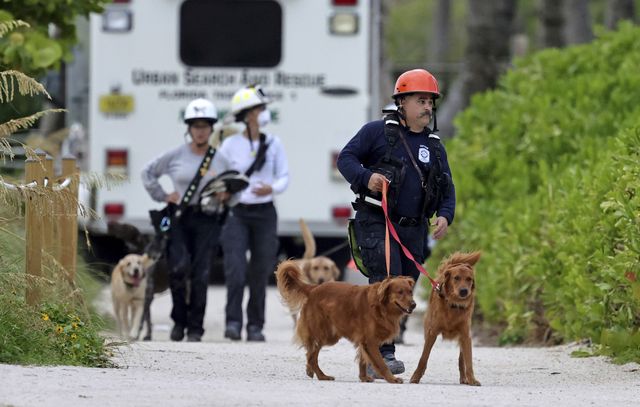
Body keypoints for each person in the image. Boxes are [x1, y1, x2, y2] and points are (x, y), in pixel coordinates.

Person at [337, 69, 456, 375]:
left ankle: (376, 352)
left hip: (414, 230)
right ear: (402, 102)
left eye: (431, 101)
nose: (428, 107)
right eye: (421, 100)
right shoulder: (377, 133)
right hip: (377, 224)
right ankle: (381, 356)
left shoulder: (435, 146)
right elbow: (345, 158)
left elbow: (447, 186)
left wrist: (445, 215)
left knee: (404, 290)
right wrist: (367, 177)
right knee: (387, 287)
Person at [141, 98, 225, 342]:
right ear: (188, 129)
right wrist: (163, 195)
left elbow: (234, 188)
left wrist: (226, 195)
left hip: (207, 219)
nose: (200, 130)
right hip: (179, 218)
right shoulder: (175, 155)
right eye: (195, 125)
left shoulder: (219, 159)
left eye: (205, 126)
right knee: (177, 268)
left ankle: (196, 327)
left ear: (211, 129)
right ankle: (178, 321)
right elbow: (147, 172)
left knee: (201, 272)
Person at [217, 85, 289, 342]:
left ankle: (256, 325)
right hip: (237, 213)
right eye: (260, 108)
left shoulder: (274, 144)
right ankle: (233, 322)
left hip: (265, 213)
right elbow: (218, 176)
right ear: (247, 114)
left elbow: (284, 177)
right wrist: (223, 192)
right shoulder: (230, 145)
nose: (264, 113)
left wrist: (272, 188)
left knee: (261, 270)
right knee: (235, 269)